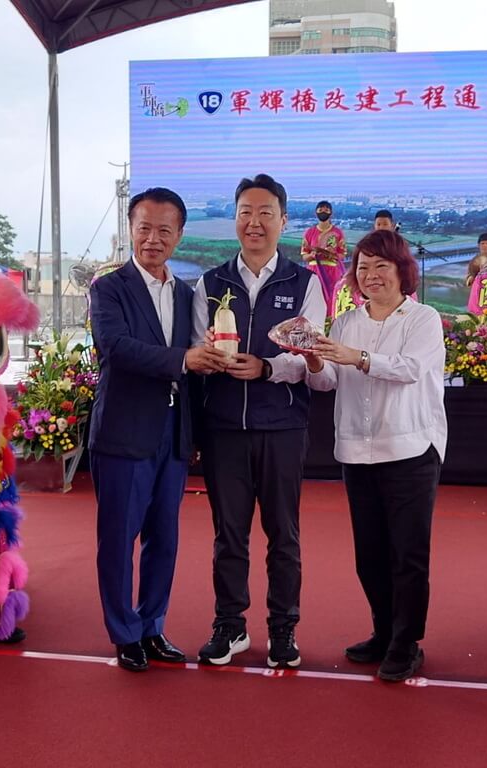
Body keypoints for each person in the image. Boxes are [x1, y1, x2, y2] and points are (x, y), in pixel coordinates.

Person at [88, 187, 228, 672]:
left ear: (180, 235)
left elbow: (196, 369)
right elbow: (115, 347)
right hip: (124, 432)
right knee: (118, 539)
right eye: (144, 228)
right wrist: (184, 359)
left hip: (173, 434)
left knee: (164, 539)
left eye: (164, 230)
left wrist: (197, 427)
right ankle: (124, 632)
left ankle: (152, 626)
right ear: (130, 229)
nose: (153, 239)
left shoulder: (188, 294)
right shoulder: (109, 288)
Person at [192, 173, 326, 668]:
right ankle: (230, 625)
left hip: (282, 427)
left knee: (283, 535)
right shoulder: (210, 283)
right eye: (246, 212)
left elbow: (310, 355)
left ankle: (283, 629)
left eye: (265, 212)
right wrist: (208, 356)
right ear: (235, 219)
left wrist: (268, 368)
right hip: (224, 428)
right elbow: (194, 352)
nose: (255, 222)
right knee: (228, 535)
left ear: (283, 221)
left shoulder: (304, 283)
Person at [302, 229, 447, 682]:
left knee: (408, 554)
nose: (371, 275)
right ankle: (383, 632)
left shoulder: (422, 318)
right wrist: (312, 359)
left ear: (402, 271)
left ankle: (407, 643)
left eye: (381, 266)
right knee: (370, 555)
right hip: (356, 451)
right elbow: (327, 382)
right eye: (362, 267)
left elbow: (410, 369)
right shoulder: (346, 321)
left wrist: (356, 357)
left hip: (410, 450)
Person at [300, 200, 347, 319]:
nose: (323, 212)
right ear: (315, 212)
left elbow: (342, 255)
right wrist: (312, 255)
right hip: (314, 270)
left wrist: (332, 254)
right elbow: (304, 255)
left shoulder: (338, 233)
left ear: (331, 213)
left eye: (326, 210)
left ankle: (330, 323)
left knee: (331, 298)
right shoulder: (309, 232)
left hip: (332, 271)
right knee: (313, 297)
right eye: (320, 210)